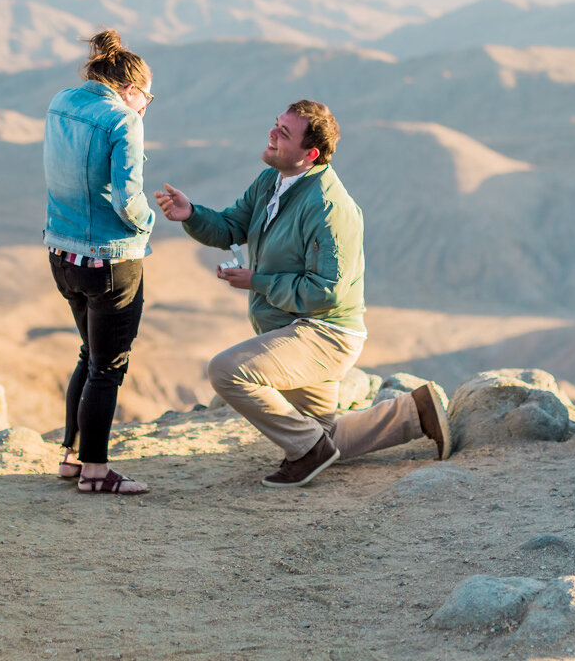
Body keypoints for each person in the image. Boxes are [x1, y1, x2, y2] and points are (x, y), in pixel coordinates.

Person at [154, 100, 450, 488]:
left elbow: (324, 293)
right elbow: (230, 226)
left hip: (324, 334)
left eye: (284, 133)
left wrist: (256, 281)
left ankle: (308, 453)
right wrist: (191, 213)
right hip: (293, 328)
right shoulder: (271, 182)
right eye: (275, 125)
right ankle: (415, 412)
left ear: (309, 154)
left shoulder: (328, 208)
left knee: (226, 371)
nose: (272, 134)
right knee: (323, 434)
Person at [43, 30, 156, 495]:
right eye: (147, 97)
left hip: (61, 253)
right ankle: (95, 471)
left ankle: (72, 458)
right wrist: (148, 224)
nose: (146, 106)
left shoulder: (60, 102)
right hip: (110, 259)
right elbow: (128, 200)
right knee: (109, 365)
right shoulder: (123, 121)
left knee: (89, 355)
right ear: (129, 90)